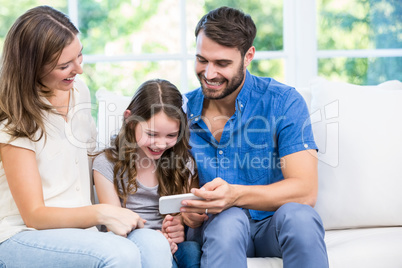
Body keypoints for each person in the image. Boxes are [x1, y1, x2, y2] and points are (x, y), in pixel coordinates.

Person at [0, 6, 172, 267]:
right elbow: (33, 215)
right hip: (23, 233)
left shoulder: (78, 91)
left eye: (79, 55)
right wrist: (103, 213)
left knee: (155, 243)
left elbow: (95, 161)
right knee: (119, 253)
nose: (79, 70)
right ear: (32, 68)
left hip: (83, 231)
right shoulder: (14, 118)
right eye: (65, 65)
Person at [180, 6, 329, 268]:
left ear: (248, 56)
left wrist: (235, 195)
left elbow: (305, 190)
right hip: (219, 229)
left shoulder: (283, 102)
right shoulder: (181, 112)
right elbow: (170, 190)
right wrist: (187, 215)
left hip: (274, 227)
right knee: (228, 221)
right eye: (202, 59)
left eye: (222, 63)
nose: (209, 73)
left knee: (300, 216)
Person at [93, 79, 201, 268]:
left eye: (170, 136)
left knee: (192, 251)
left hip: (171, 248)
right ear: (130, 119)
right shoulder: (107, 163)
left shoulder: (183, 163)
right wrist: (155, 238)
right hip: (128, 242)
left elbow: (181, 214)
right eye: (151, 134)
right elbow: (114, 223)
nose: (160, 144)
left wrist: (178, 224)